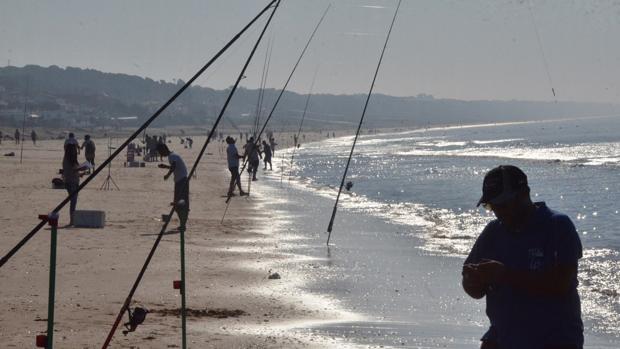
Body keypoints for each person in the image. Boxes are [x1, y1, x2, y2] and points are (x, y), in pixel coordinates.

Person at [462, 165, 583, 349]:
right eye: (492, 206)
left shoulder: (557, 226)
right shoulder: (493, 231)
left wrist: (505, 274)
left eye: (503, 205)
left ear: (524, 193)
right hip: (502, 337)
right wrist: (472, 281)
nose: (498, 212)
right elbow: (475, 290)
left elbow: (561, 284)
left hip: (555, 339)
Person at [157, 143, 189, 231]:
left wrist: (167, 175)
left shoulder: (172, 156)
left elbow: (174, 167)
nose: (161, 155)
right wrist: (165, 167)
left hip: (181, 181)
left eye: (160, 152)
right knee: (178, 204)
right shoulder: (172, 156)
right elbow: (174, 167)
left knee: (180, 203)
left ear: (164, 150)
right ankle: (183, 224)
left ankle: (183, 224)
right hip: (179, 181)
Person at [62, 141, 85, 225]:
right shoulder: (66, 160)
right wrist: (80, 169)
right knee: (73, 200)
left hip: (75, 181)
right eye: (74, 150)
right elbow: (69, 171)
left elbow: (74, 171)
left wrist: (80, 174)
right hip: (70, 182)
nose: (75, 151)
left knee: (74, 201)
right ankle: (72, 220)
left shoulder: (73, 159)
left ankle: (72, 219)